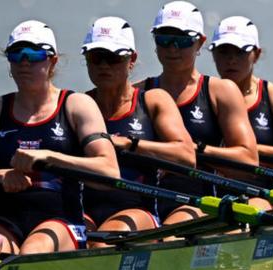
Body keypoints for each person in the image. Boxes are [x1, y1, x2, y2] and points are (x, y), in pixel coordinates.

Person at [0, 20, 119, 255]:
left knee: (33, 251)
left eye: (34, 54)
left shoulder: (77, 105)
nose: (24, 62)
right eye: (16, 54)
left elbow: (110, 173)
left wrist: (50, 157)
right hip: (3, 220)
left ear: (52, 61)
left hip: (61, 221)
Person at [136, 1, 262, 224]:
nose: (172, 48)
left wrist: (191, 152)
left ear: (200, 42)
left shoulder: (220, 92)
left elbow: (248, 163)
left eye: (183, 40)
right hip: (143, 206)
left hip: (202, 205)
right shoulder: (138, 92)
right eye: (164, 39)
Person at [80, 16, 195, 247]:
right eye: (96, 57)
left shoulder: (153, 101)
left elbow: (186, 156)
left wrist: (129, 144)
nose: (104, 65)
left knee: (101, 243)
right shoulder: (78, 104)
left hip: (138, 211)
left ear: (131, 59)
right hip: (86, 210)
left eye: (113, 58)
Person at [208, 16, 273, 175]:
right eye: (223, 52)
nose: (231, 60)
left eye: (240, 52)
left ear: (256, 54)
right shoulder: (202, 94)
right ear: (213, 54)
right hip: (208, 196)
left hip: (259, 195)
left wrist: (247, 151)